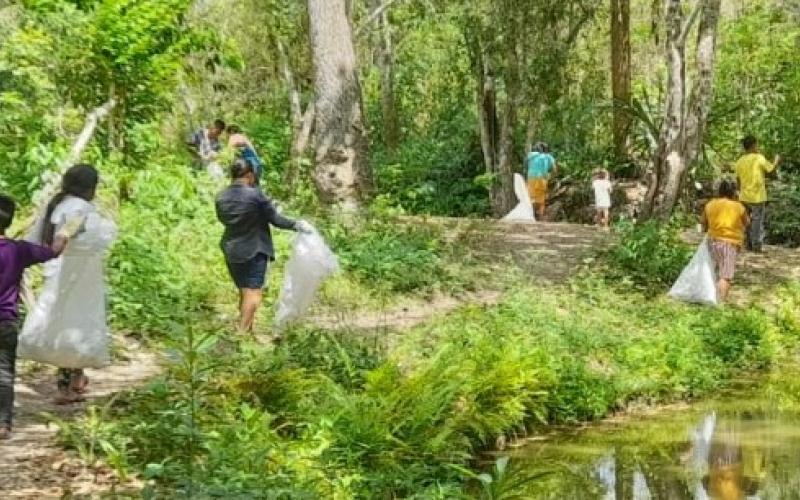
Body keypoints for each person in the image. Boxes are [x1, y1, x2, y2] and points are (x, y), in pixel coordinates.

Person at [25, 165, 117, 404]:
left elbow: (37, 239)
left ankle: (76, 378)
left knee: (66, 322)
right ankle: (65, 386)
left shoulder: (57, 205)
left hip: (62, 272)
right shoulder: (80, 209)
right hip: (78, 274)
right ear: (90, 187)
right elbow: (84, 239)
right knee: (74, 324)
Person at [0, 195, 81, 439]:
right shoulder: (18, 250)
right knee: (4, 372)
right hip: (6, 321)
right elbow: (53, 251)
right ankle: (3, 423)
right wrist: (66, 231)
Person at [215, 159, 312, 334]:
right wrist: (296, 225)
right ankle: (242, 332)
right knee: (253, 293)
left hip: (231, 248)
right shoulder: (255, 195)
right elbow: (276, 220)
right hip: (254, 249)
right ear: (250, 175)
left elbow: (224, 219)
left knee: (244, 290)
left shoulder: (221, 197)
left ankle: (248, 330)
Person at [701, 179, 749, 303]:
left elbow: (703, 223)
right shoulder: (738, 206)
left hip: (712, 241)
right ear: (733, 192)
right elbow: (747, 222)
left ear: (719, 191)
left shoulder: (710, 204)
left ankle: (710, 296)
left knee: (714, 271)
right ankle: (719, 302)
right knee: (726, 275)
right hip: (730, 243)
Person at [734, 135, 781, 253]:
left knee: (746, 221)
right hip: (758, 196)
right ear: (753, 145)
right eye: (756, 144)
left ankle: (748, 244)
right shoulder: (759, 158)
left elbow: (738, 180)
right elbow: (771, 169)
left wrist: (740, 192)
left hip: (744, 196)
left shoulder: (739, 161)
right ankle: (756, 246)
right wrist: (776, 160)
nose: (757, 147)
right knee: (757, 222)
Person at [526, 142, 557, 220]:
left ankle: (531, 216)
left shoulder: (530, 155)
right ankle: (540, 217)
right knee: (541, 199)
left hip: (531, 178)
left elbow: (526, 165)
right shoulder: (548, 157)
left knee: (531, 197)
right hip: (541, 178)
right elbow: (554, 169)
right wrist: (552, 176)